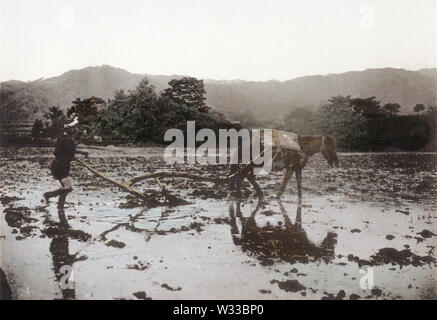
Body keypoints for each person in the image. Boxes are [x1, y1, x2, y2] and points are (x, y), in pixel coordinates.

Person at [43, 117, 88, 211]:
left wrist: (81, 153)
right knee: (68, 188)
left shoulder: (67, 139)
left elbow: (71, 151)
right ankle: (48, 195)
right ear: (70, 129)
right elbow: (59, 154)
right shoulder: (65, 139)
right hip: (60, 166)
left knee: (66, 188)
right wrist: (71, 157)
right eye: (74, 128)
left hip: (62, 165)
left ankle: (60, 207)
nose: (76, 130)